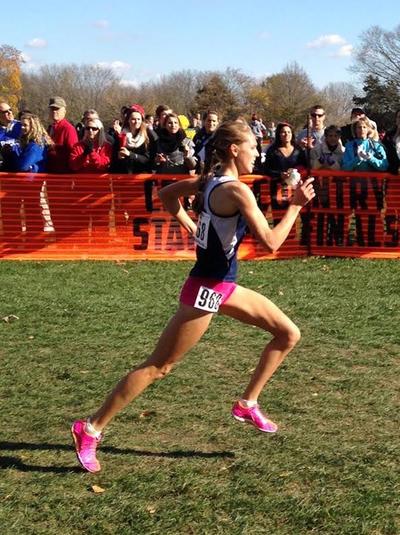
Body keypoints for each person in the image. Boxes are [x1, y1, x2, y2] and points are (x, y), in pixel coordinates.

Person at [71, 119, 315, 473]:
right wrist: (295, 205)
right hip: (205, 291)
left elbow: (167, 195)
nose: (257, 153)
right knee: (159, 366)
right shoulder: (235, 190)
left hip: (223, 287)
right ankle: (90, 427)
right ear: (234, 149)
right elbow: (273, 243)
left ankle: (247, 403)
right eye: (252, 147)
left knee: (288, 333)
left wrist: (193, 229)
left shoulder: (209, 180)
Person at [112, 104, 157, 174]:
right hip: (124, 175)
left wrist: (130, 154)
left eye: (138, 119)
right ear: (128, 120)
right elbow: (114, 157)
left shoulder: (148, 135)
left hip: (143, 175)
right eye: (133, 119)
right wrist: (118, 157)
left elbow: (148, 159)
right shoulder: (121, 135)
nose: (136, 122)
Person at [46, 96, 78, 173]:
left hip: (63, 174)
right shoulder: (50, 128)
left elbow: (74, 153)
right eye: (52, 109)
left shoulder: (68, 129)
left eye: (57, 109)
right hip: (50, 172)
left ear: (64, 111)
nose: (54, 111)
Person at [0, 101, 22, 171]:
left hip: (23, 166)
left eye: (10, 110)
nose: (10, 112)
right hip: (6, 168)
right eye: (5, 111)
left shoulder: (22, 126)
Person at [382, 109, 400, 174]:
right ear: (396, 119)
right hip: (391, 174)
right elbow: (383, 152)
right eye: (399, 117)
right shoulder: (388, 135)